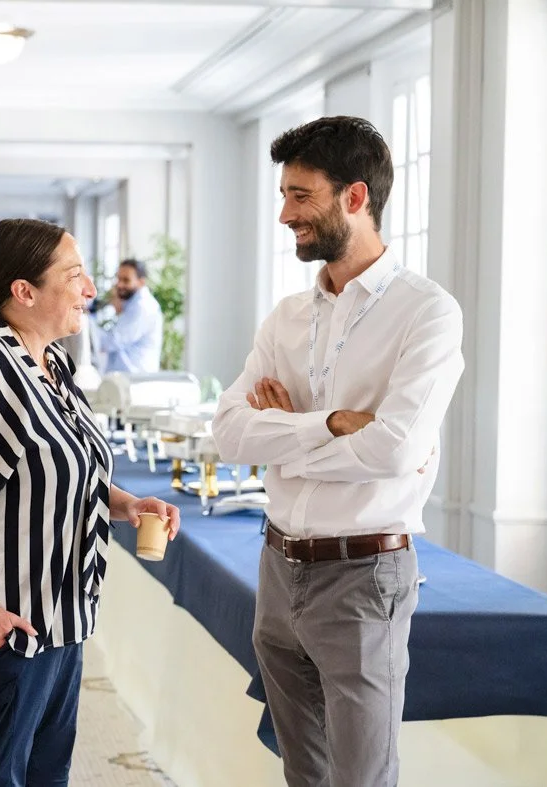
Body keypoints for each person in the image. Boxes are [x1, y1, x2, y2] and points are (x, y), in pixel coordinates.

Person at [211, 116, 464, 787]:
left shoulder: (427, 313)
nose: (283, 213)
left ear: (354, 198)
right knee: (304, 771)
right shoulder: (285, 318)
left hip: (363, 575)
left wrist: (287, 432)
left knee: (360, 777)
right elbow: (229, 434)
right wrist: (327, 424)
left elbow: (393, 449)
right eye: (284, 195)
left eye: (300, 196)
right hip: (277, 563)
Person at [0, 218, 181, 786]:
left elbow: (62, 470)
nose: (91, 290)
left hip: (56, 623)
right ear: (24, 291)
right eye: (75, 277)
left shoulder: (49, 362)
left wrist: (126, 504)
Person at [92, 258, 163, 373]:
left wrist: (86, 321)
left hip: (134, 380)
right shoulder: (131, 304)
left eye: (126, 280)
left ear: (141, 282)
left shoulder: (142, 307)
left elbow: (111, 341)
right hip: (126, 379)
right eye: (118, 279)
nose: (119, 285)